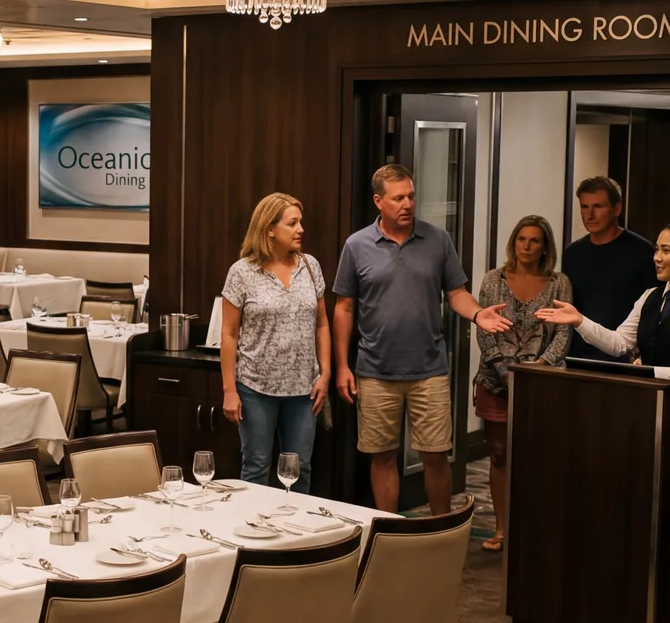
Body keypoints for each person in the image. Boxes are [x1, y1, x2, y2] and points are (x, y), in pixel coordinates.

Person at [332, 164, 510, 516]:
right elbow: (344, 308)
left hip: (429, 370)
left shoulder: (437, 239)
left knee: (435, 454)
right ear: (379, 201)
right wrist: (341, 366)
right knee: (382, 456)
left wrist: (478, 314)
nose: (407, 204)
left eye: (411, 196)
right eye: (398, 198)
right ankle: (390, 528)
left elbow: (456, 293)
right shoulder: (357, 245)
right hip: (375, 370)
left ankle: (440, 528)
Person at [472, 214, 573, 552]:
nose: (526, 246)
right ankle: (501, 529)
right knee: (499, 454)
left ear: (545, 247)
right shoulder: (494, 279)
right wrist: (504, 371)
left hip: (542, 385)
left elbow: (563, 334)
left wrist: (538, 369)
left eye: (534, 241)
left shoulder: (558, 283)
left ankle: (533, 530)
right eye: (521, 239)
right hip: (496, 381)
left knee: (537, 457)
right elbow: (484, 330)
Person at [219, 192, 329, 492]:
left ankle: (298, 523)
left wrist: (326, 373)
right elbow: (229, 334)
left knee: (299, 468)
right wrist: (229, 390)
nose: (300, 229)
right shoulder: (242, 272)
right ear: (270, 228)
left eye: (300, 222)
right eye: (292, 223)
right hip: (255, 387)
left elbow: (322, 323)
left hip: (303, 389)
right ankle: (253, 523)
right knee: (256, 466)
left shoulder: (310, 266)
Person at [537, 220, 670, 387]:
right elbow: (619, 343)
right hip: (647, 401)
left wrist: (650, 372)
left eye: (666, 251)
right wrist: (580, 320)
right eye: (657, 249)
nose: (657, 258)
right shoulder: (650, 296)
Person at [560, 175, 657, 361]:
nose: (590, 215)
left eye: (598, 206)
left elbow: (653, 308)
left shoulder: (643, 252)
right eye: (584, 207)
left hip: (623, 355)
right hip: (578, 354)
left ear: (617, 209)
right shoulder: (573, 253)